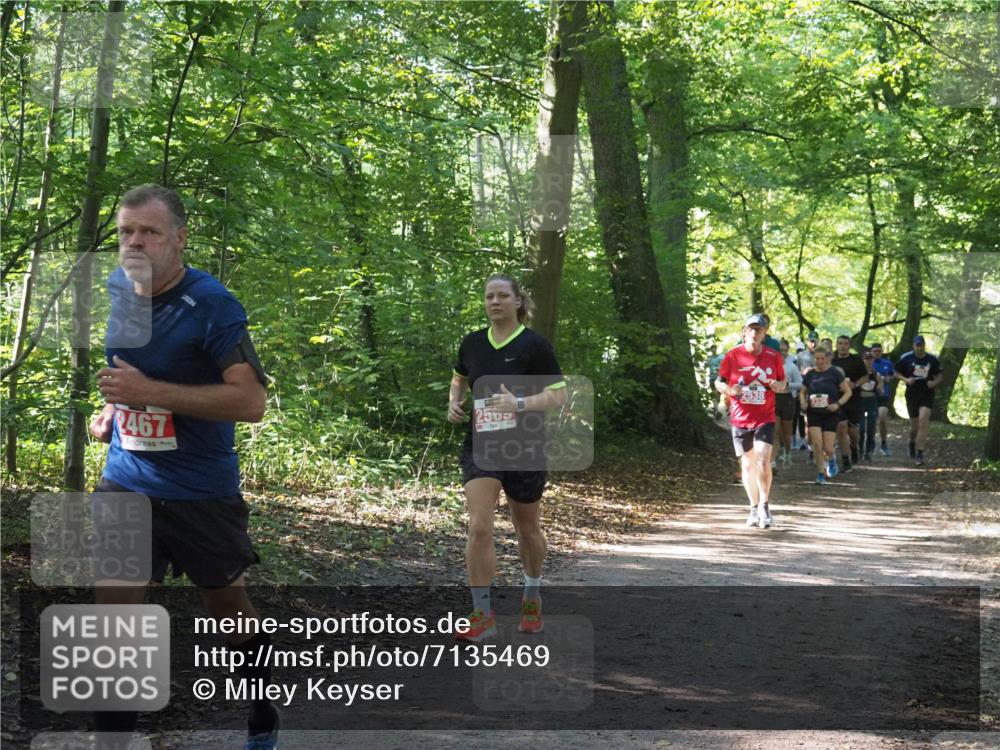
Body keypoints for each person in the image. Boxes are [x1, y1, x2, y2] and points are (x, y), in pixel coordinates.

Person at [88, 185, 275, 749]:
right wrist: (114, 406)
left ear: (179, 239)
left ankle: (261, 719)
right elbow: (132, 369)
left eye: (150, 232)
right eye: (126, 232)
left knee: (227, 609)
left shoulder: (212, 304)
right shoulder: (121, 287)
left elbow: (251, 403)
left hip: (199, 490)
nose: (135, 242)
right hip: (127, 481)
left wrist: (151, 392)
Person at [448, 274, 567, 641]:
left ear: (518, 301)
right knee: (479, 526)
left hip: (524, 446)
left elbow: (559, 395)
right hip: (482, 445)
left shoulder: (534, 345)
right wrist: (454, 401)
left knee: (527, 529)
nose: (494, 302)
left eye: (502, 296)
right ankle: (482, 616)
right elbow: (459, 377)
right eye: (488, 296)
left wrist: (518, 403)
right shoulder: (471, 343)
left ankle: (531, 595)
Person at [716, 314, 787, 529]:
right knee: (747, 464)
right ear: (744, 332)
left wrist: (778, 386)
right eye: (751, 329)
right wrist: (729, 389)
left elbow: (783, 382)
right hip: (739, 417)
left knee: (762, 459)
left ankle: (765, 506)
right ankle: (753, 507)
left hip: (764, 416)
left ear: (765, 333)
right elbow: (719, 382)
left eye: (759, 329)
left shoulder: (773, 356)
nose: (755, 333)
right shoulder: (733, 356)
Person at [800, 347, 852, 484]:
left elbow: (848, 392)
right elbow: (802, 391)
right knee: (817, 444)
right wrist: (803, 402)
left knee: (828, 447)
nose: (820, 361)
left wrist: (838, 404)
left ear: (827, 358)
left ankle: (831, 458)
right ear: (814, 359)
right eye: (817, 358)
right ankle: (820, 474)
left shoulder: (834, 373)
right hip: (814, 413)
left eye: (822, 358)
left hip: (830, 413)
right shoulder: (810, 374)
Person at [894, 335, 943, 465]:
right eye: (917, 345)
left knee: (923, 421)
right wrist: (906, 380)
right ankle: (911, 441)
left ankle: (920, 454)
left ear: (924, 345)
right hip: (912, 393)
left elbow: (939, 375)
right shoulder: (906, 358)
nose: (919, 347)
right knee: (915, 426)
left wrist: (934, 383)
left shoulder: (932, 359)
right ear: (913, 345)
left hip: (927, 392)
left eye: (921, 345)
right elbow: (896, 372)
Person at [831, 335, 868, 471]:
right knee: (841, 427)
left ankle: (854, 448)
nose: (842, 346)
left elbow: (865, 377)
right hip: (838, 399)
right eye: (840, 343)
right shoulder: (831, 361)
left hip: (854, 399)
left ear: (849, 346)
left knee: (853, 433)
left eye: (845, 343)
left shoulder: (856, 360)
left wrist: (855, 384)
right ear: (836, 345)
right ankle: (846, 460)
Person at [776, 339, 802, 467]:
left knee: (787, 432)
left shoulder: (792, 366)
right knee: (775, 430)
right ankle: (772, 459)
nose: (782, 353)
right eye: (780, 350)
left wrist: (787, 385)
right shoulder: (770, 366)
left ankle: (787, 453)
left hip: (787, 399)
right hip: (774, 399)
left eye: (785, 351)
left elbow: (801, 384)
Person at [870, 343, 895, 455]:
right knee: (870, 421)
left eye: (879, 351)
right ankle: (871, 443)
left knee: (882, 418)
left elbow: (892, 375)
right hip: (870, 395)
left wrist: (888, 378)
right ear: (871, 352)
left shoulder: (887, 363)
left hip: (883, 395)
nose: (876, 353)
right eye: (874, 351)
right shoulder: (867, 363)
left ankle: (884, 443)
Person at [858, 349, 883, 461]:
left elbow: (880, 390)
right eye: (866, 359)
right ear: (862, 360)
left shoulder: (876, 374)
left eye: (870, 359)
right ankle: (859, 450)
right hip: (861, 402)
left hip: (872, 402)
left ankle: (868, 451)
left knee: (871, 427)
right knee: (861, 428)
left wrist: (880, 387)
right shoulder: (858, 374)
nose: (868, 361)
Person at [707, 347, 725, 419]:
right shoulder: (709, 359)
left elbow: (725, 366)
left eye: (714, 348)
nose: (713, 350)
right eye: (712, 348)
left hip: (720, 377)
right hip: (712, 378)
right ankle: (716, 410)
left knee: (718, 394)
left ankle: (715, 409)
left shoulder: (722, 357)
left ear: (716, 349)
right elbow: (705, 368)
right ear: (710, 350)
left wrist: (719, 369)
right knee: (714, 393)